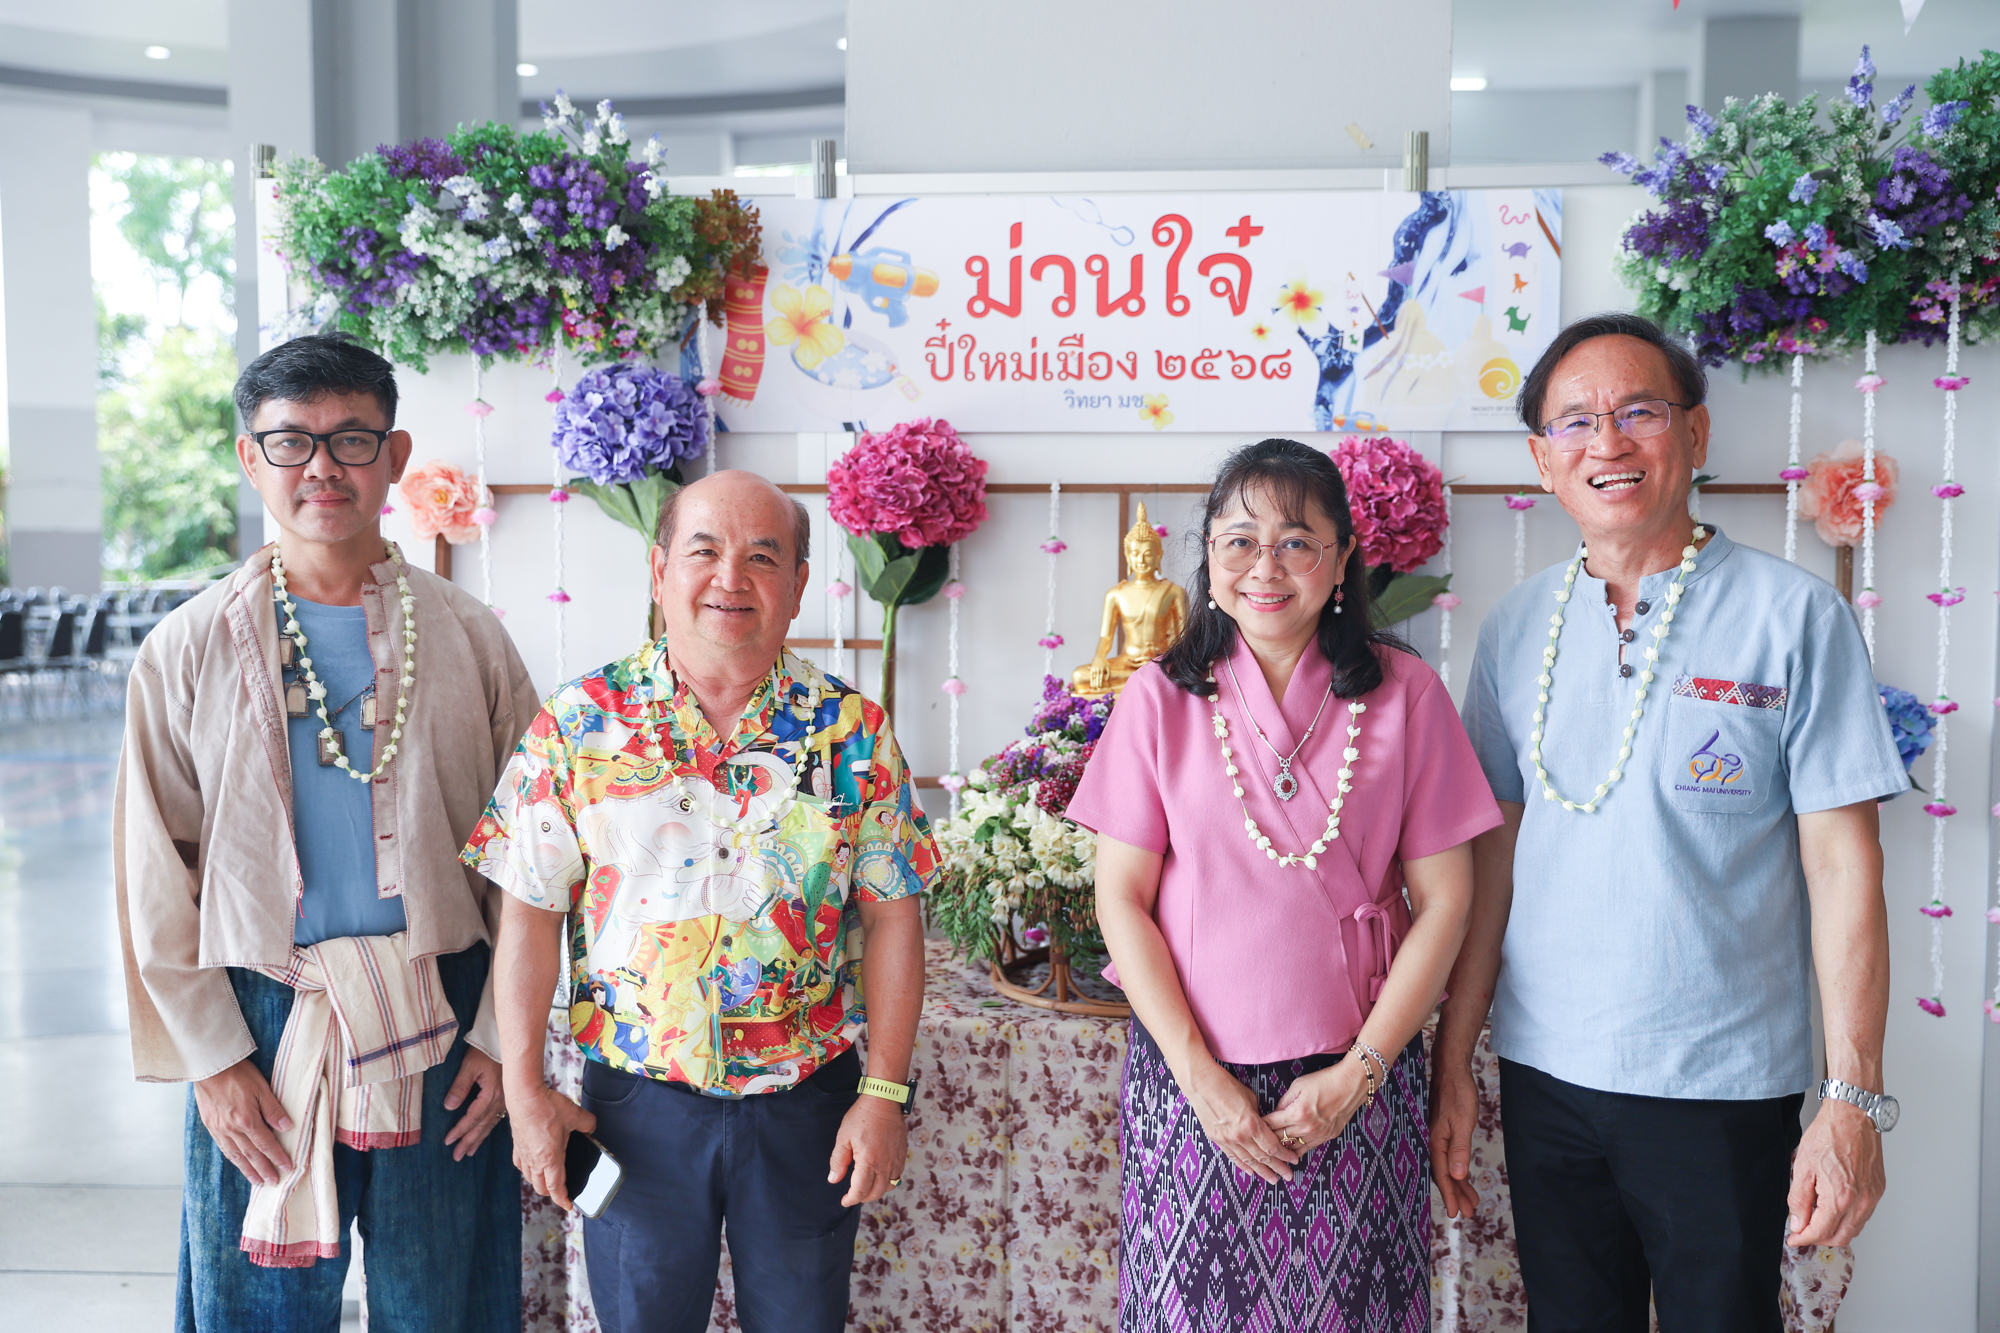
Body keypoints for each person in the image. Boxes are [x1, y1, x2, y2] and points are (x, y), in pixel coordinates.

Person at [1435, 312, 1906, 1331]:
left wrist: (1852, 1097)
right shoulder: (1514, 628)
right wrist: (1455, 1058)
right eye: (1574, 421)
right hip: (1543, 1074)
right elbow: (1493, 861)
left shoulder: (1794, 617)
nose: (1606, 440)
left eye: (1637, 411)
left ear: (1693, 433)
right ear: (1542, 461)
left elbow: (1843, 869)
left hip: (1720, 1085)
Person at [116, 333, 539, 1331]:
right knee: (255, 1306)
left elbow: (533, 857)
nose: (321, 467)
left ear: (394, 458)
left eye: (351, 439)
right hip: (260, 1014)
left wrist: (501, 1037)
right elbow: (154, 873)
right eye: (290, 441)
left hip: (442, 1007)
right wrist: (213, 1060)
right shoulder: (186, 646)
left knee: (444, 1303)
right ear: (249, 457)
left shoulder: (470, 635)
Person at [465, 469, 936, 1333]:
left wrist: (884, 1094)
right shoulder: (577, 725)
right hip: (633, 1109)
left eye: (763, 557)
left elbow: (893, 919)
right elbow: (529, 914)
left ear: (799, 584)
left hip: (807, 1104)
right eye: (705, 551)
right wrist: (526, 1089)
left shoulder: (854, 734)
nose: (730, 578)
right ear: (659, 569)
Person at [1069, 438, 1503, 1330]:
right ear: (1209, 558)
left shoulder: (1407, 693)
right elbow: (1121, 899)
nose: (1264, 567)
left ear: (1342, 560)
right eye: (1238, 541)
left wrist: (1361, 1072)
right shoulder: (1158, 697)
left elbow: (1447, 901)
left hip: (1358, 1081)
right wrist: (1200, 1078)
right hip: (1196, 1087)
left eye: (1296, 541)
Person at [1072, 501, 1189, 697]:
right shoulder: (1116, 594)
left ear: (1158, 555)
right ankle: (1140, 685)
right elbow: (1106, 637)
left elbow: (1183, 639)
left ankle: (1145, 682)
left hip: (1162, 663)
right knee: (1080, 676)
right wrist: (1099, 658)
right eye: (1135, 554)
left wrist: (1164, 660)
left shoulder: (1174, 592)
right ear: (1128, 556)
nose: (1141, 561)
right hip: (1126, 663)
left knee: (1176, 675)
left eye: (1147, 554)